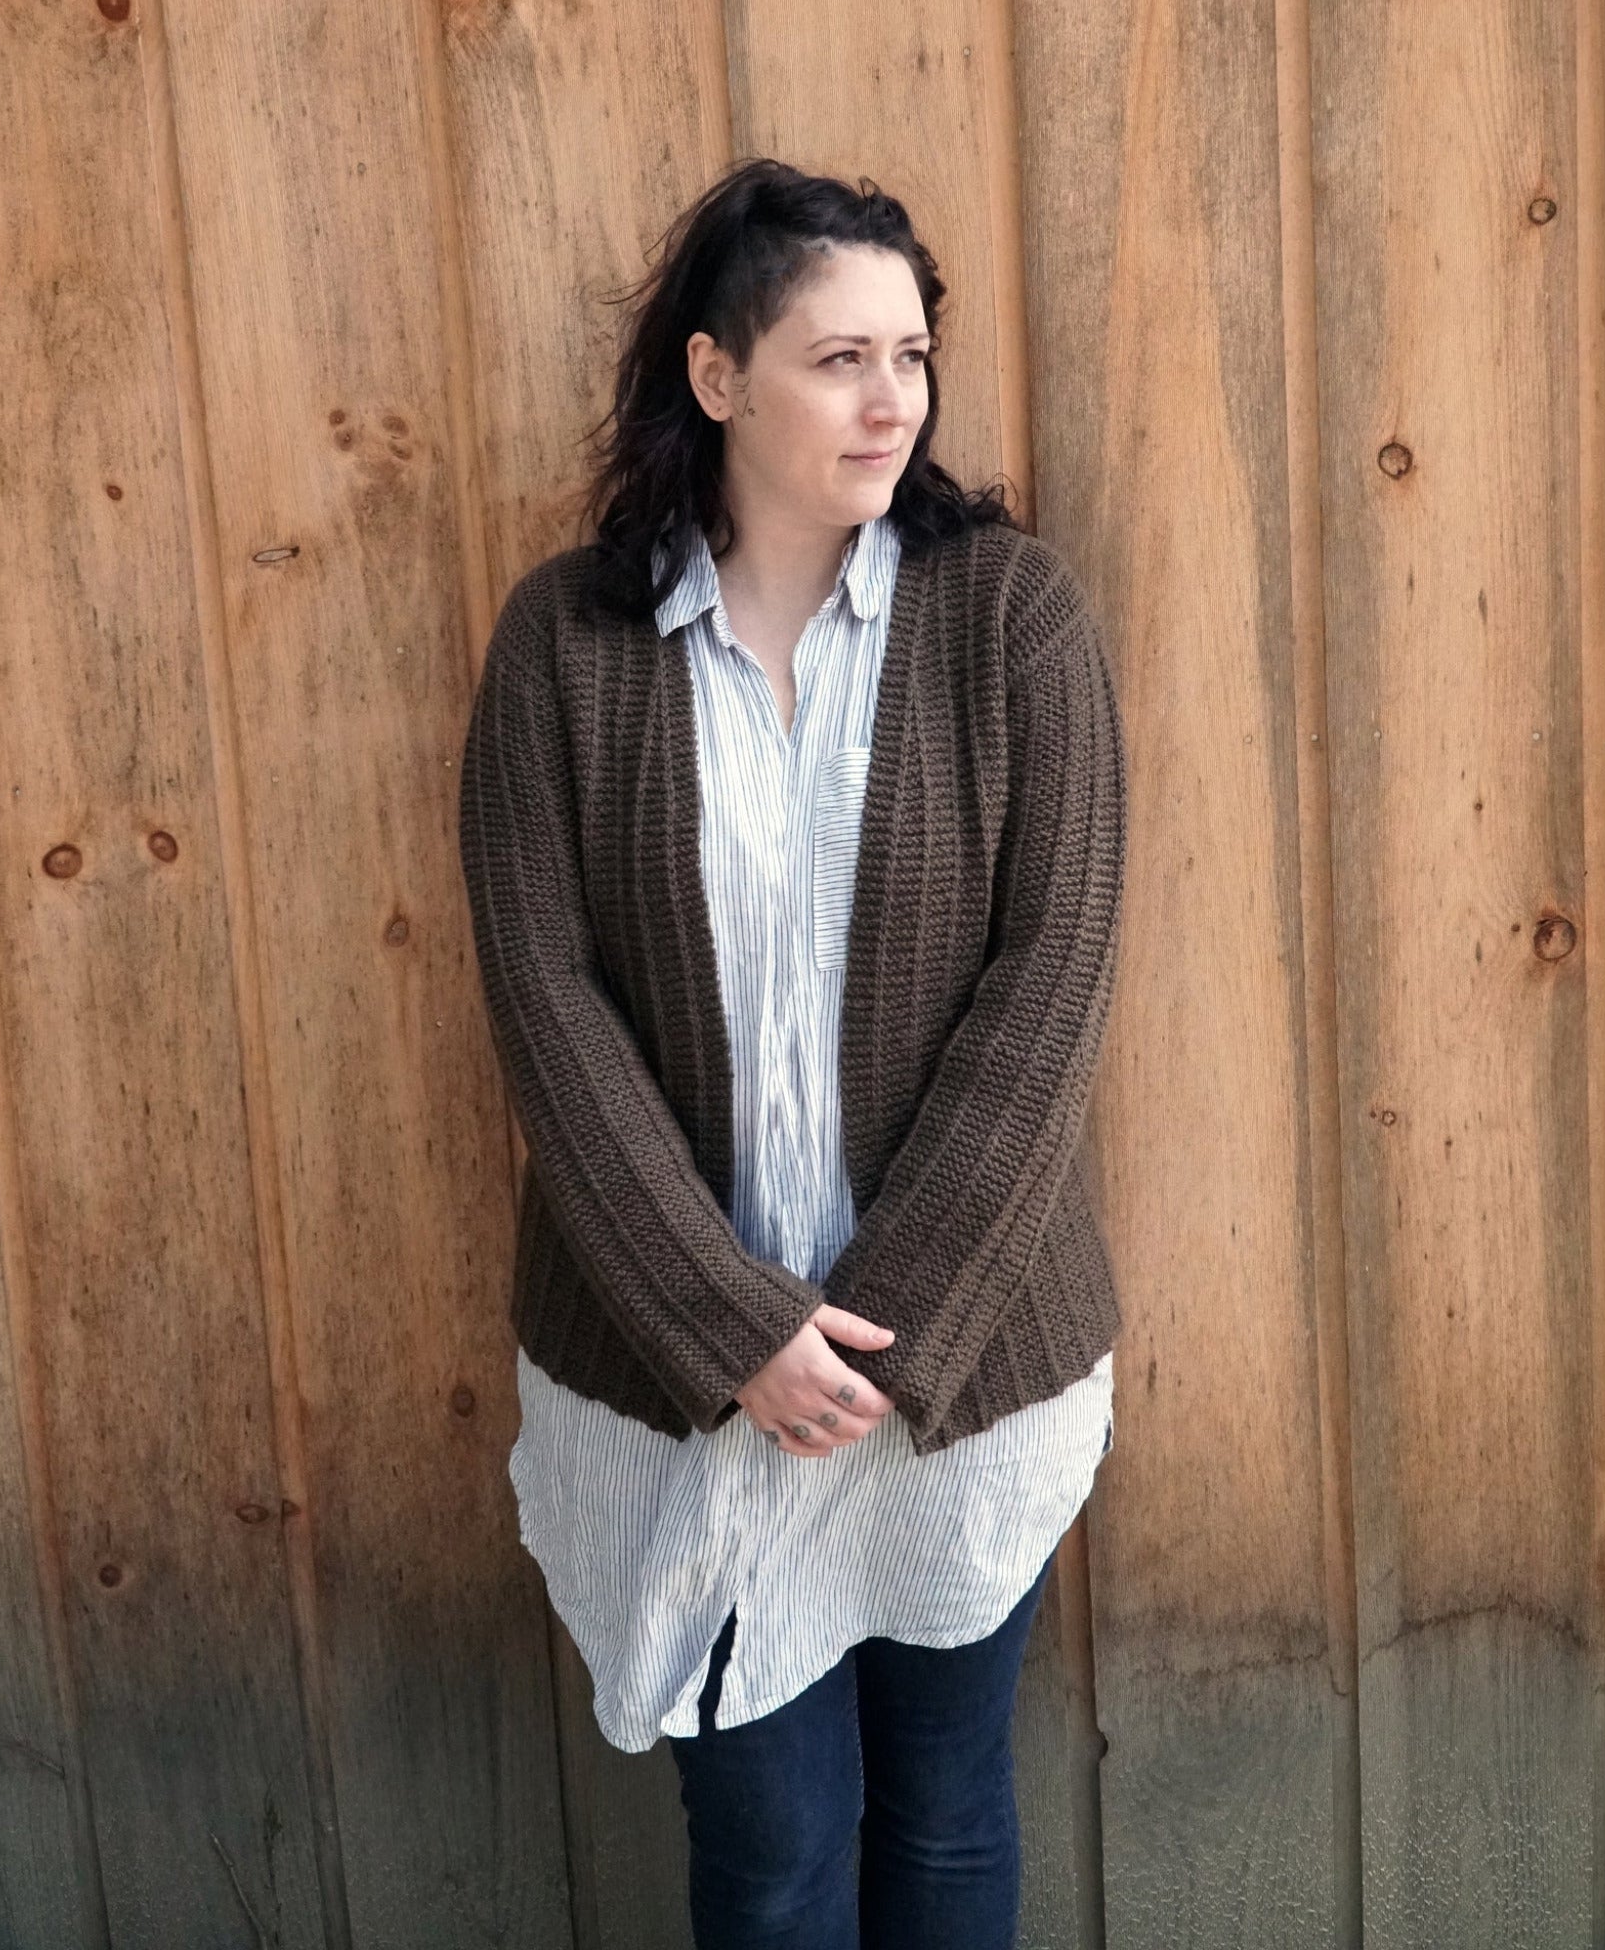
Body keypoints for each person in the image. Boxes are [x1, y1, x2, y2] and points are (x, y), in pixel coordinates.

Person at [457, 156, 1126, 1950]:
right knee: (767, 1852)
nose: (889, 396)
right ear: (715, 377)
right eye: (838, 356)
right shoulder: (568, 647)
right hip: (681, 1387)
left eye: (909, 353)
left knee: (949, 1823)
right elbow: (543, 991)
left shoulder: (1010, 621)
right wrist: (733, 1326)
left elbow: (1050, 977)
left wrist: (880, 1328)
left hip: (955, 1374)